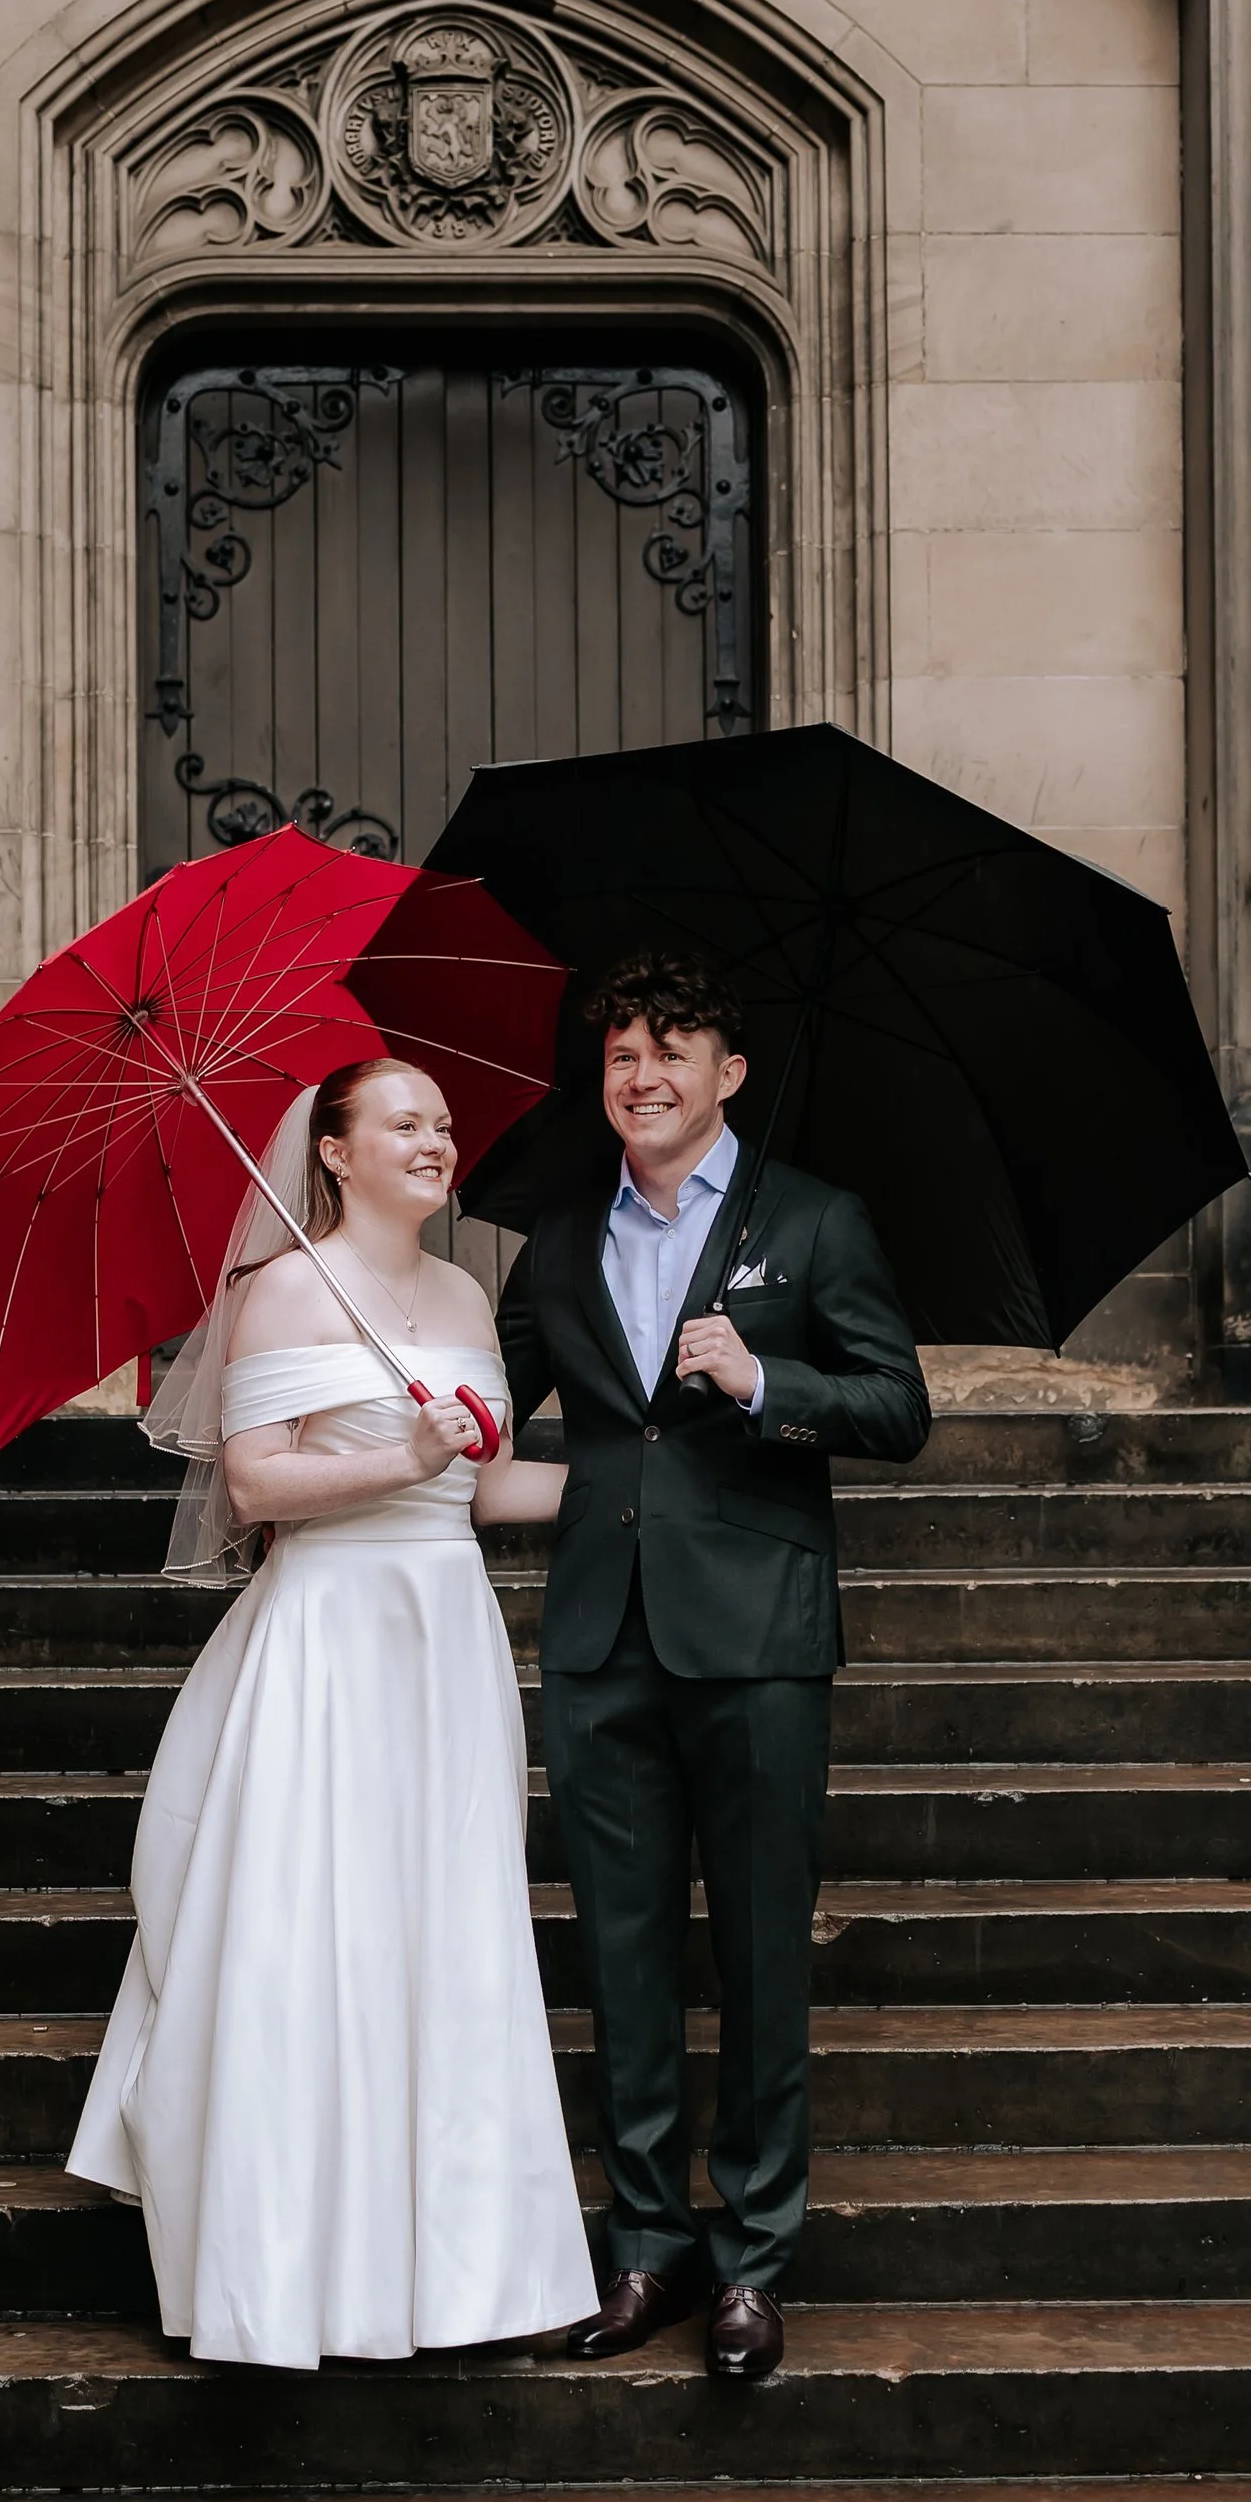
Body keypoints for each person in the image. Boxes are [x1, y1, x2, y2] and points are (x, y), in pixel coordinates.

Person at [69, 1053, 597, 2373]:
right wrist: (401, 1454)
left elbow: (487, 1493)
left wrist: (641, 1484)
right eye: (403, 1122)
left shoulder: (466, 1290)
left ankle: (461, 2276)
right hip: (330, 1638)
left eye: (444, 1121)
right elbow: (255, 1485)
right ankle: (299, 2267)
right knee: (324, 1930)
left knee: (445, 1929)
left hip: (444, 1636)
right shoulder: (285, 1290)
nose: (436, 1139)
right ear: (336, 1154)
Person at [497, 951, 930, 2385]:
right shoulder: (557, 1239)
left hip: (756, 1642)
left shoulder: (815, 1219)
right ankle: (645, 2247)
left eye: (673, 1048)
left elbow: (898, 1405)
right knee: (621, 1957)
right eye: (622, 1052)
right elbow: (489, 1406)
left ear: (727, 1073)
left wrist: (765, 1381)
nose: (643, 1073)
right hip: (600, 1638)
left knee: (757, 1957)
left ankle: (750, 2256)